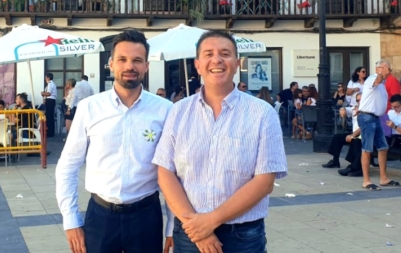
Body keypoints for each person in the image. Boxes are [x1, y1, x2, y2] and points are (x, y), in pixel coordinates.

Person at [153, 30, 287, 253]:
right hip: (189, 233)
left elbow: (264, 181)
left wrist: (210, 221)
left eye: (225, 53)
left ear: (237, 63)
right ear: (197, 65)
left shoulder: (262, 113)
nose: (216, 60)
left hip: (242, 236)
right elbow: (165, 172)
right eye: (208, 54)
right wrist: (197, 227)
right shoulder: (179, 111)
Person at [55, 30, 174, 253]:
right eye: (122, 59)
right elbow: (67, 166)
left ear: (146, 66)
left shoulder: (165, 110)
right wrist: (71, 220)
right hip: (100, 216)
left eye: (137, 60)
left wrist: (172, 226)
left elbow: (174, 172)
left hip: (146, 217)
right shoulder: (90, 108)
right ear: (111, 64)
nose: (130, 66)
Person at [357, 60, 400, 190]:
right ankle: (366, 180)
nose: (389, 72)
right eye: (387, 69)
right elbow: (376, 82)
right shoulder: (372, 78)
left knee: (383, 147)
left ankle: (383, 178)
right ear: (380, 68)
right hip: (367, 117)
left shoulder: (383, 84)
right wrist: (380, 73)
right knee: (367, 149)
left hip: (376, 118)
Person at [322, 93, 363, 173]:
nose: (359, 102)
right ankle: (335, 160)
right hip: (354, 133)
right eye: (357, 100)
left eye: (360, 100)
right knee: (337, 137)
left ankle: (354, 166)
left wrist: (352, 135)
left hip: (361, 135)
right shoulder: (355, 108)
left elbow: (364, 126)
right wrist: (342, 110)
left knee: (356, 140)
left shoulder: (367, 110)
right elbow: (344, 109)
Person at [385, 94, 401, 192]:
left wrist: (394, 127)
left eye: (396, 107)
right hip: (389, 136)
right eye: (393, 107)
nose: (395, 109)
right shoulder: (391, 112)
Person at [41, 72, 57, 137]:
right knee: (49, 116)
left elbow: (49, 93)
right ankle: (50, 132)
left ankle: (50, 133)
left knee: (49, 116)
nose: (45, 79)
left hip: (50, 100)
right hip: (50, 100)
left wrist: (42, 93)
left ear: (48, 77)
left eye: (46, 77)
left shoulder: (50, 84)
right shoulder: (50, 84)